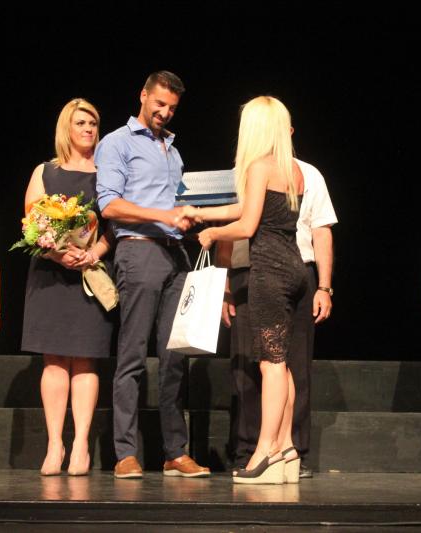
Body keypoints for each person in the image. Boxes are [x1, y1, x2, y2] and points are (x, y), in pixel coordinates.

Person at [96, 71, 210, 479]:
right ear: (143, 95)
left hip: (175, 255)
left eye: (172, 108)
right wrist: (163, 215)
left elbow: (176, 206)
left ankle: (174, 451)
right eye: (159, 103)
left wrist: (194, 218)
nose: (165, 112)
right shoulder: (117, 142)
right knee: (132, 355)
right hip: (139, 251)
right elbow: (109, 205)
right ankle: (125, 453)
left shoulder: (172, 152)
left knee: (174, 357)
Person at [189, 95, 307, 484]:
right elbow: (247, 208)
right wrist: (200, 213)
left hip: (269, 270)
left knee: (270, 364)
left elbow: (246, 225)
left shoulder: (259, 166)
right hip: (294, 267)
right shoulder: (293, 169)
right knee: (282, 363)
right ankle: (287, 448)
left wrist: (212, 234)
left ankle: (265, 452)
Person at [215, 155, 336, 479]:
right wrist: (223, 285)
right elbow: (229, 233)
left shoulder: (308, 172)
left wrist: (324, 286)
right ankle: (250, 450)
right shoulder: (240, 172)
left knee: (292, 365)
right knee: (248, 366)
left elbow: (321, 230)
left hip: (296, 271)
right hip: (247, 273)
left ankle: (289, 449)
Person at [21, 98, 115, 476]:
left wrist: (93, 253)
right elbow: (31, 224)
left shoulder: (107, 174)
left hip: (89, 276)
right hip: (51, 275)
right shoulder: (45, 171)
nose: (88, 129)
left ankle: (81, 446)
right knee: (55, 360)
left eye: (93, 123)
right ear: (67, 128)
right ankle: (55, 444)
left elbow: (115, 227)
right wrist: (58, 254)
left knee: (86, 359)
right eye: (81, 123)